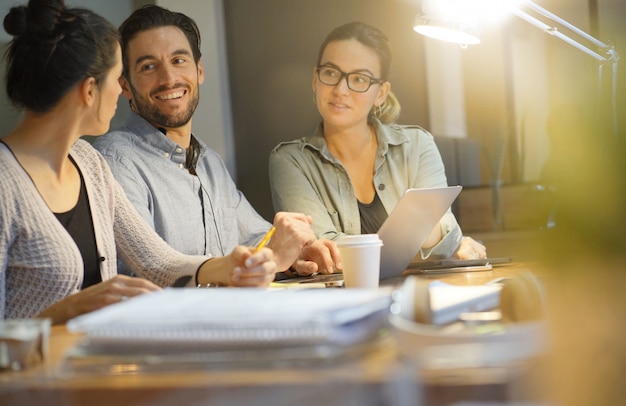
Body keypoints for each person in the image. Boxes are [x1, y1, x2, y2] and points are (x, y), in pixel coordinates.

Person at [0, 0, 277, 324]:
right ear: (90, 91)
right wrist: (70, 308)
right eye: (117, 78)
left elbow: (155, 263)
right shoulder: (6, 182)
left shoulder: (88, 164)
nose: (120, 93)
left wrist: (225, 266)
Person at [93, 5, 339, 276]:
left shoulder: (209, 162)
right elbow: (147, 272)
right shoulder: (114, 161)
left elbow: (255, 239)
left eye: (178, 61)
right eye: (149, 66)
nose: (169, 79)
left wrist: (295, 253)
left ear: (199, 71)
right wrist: (272, 256)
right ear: (125, 85)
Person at [269, 21, 485, 261]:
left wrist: (445, 239)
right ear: (315, 79)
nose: (341, 89)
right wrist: (421, 237)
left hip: (415, 290)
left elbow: (446, 234)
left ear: (380, 93)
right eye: (330, 73)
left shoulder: (416, 145)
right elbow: (322, 248)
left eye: (359, 79)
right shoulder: (290, 161)